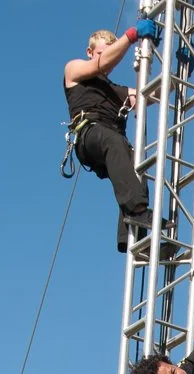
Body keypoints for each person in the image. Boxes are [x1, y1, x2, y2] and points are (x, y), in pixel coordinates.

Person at [63, 21, 162, 252]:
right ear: (90, 52)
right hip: (90, 134)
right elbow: (100, 65)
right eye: (101, 52)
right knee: (114, 141)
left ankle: (132, 238)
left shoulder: (115, 90)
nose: (107, 57)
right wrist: (130, 36)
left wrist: (177, 76)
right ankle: (138, 210)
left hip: (110, 140)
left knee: (136, 165)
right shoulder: (74, 70)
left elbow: (148, 95)